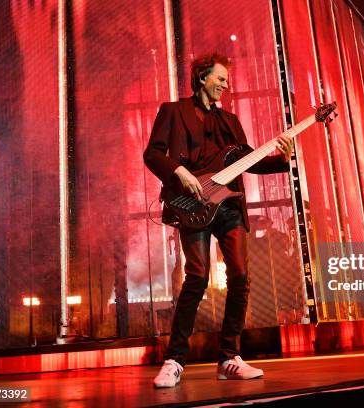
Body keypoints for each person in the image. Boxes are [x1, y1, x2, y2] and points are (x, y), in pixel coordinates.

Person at [143, 53, 293, 387]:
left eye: (226, 80)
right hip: (191, 204)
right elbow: (152, 153)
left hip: (228, 207)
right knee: (197, 277)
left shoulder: (230, 121)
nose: (226, 84)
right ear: (201, 78)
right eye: (220, 78)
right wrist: (179, 171)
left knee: (239, 276)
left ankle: (229, 357)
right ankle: (174, 360)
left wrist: (285, 157)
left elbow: (250, 162)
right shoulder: (173, 111)